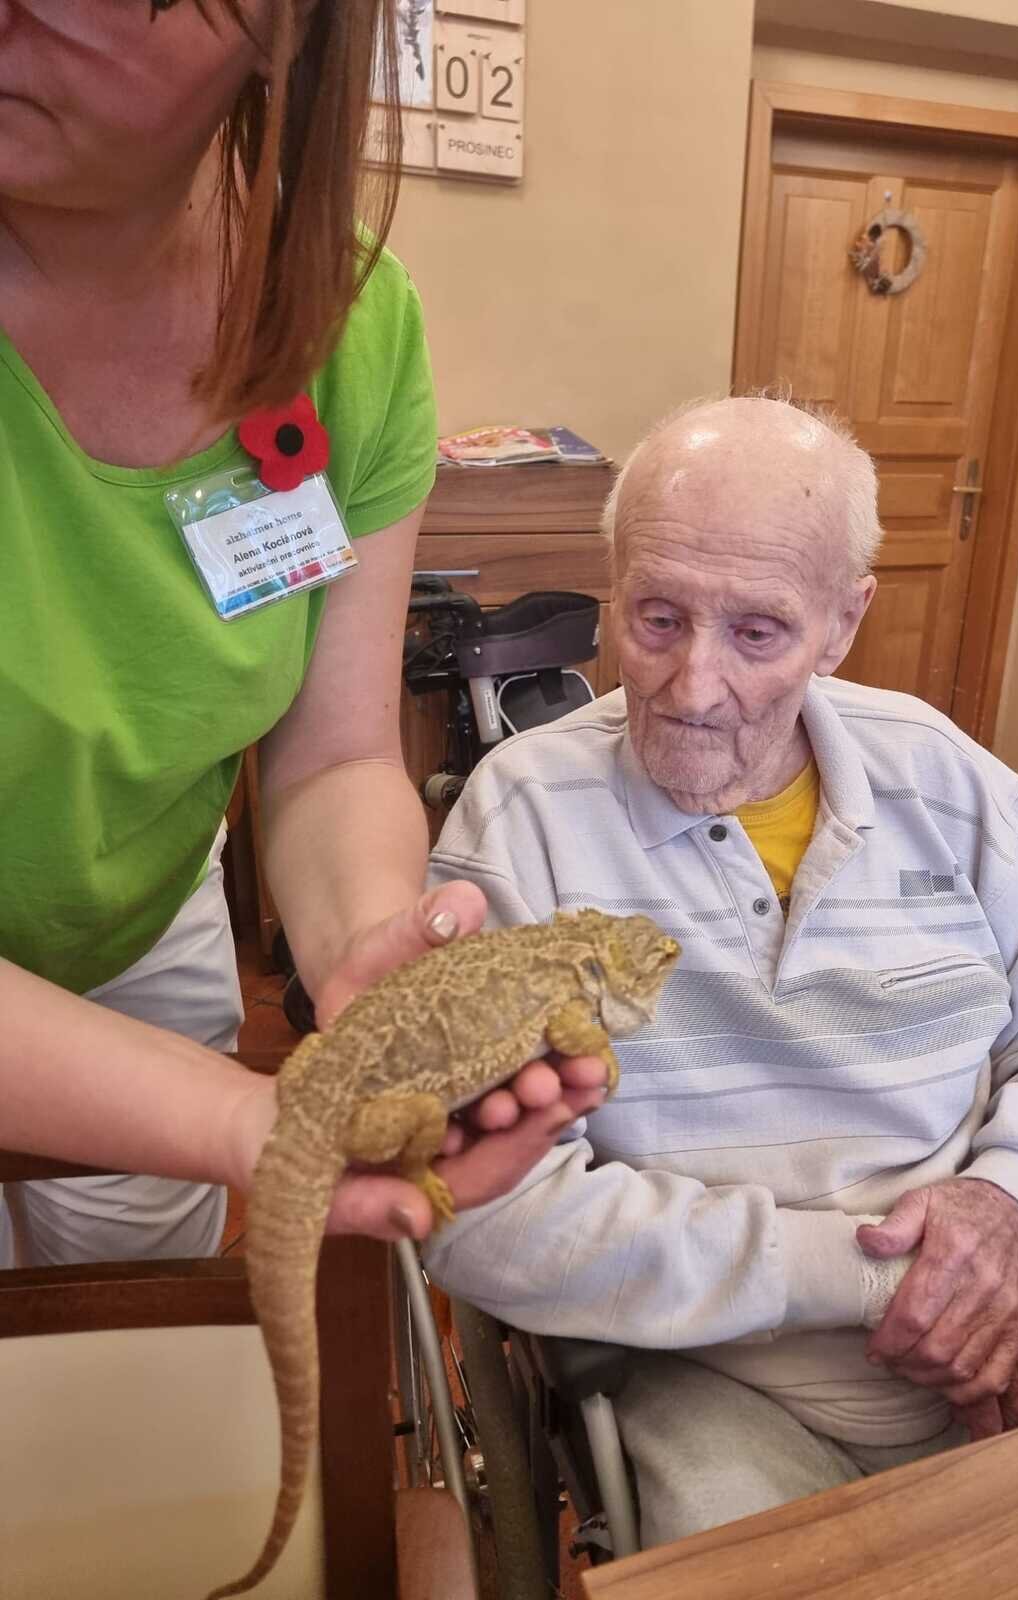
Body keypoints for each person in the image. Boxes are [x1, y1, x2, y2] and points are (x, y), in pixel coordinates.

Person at [422, 396, 1018, 1546]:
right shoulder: (523, 823)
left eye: (758, 633)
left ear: (842, 622)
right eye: (657, 619)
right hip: (722, 1377)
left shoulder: (952, 785)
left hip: (1016, 1319)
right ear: (614, 590)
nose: (692, 684)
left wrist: (1013, 1204)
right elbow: (484, 1209)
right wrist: (870, 1276)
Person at [0, 0, 604, 1268]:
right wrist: (242, 1119)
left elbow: (333, 755)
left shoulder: (352, 322)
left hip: (139, 925)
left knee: (121, 1340)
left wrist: (373, 948)